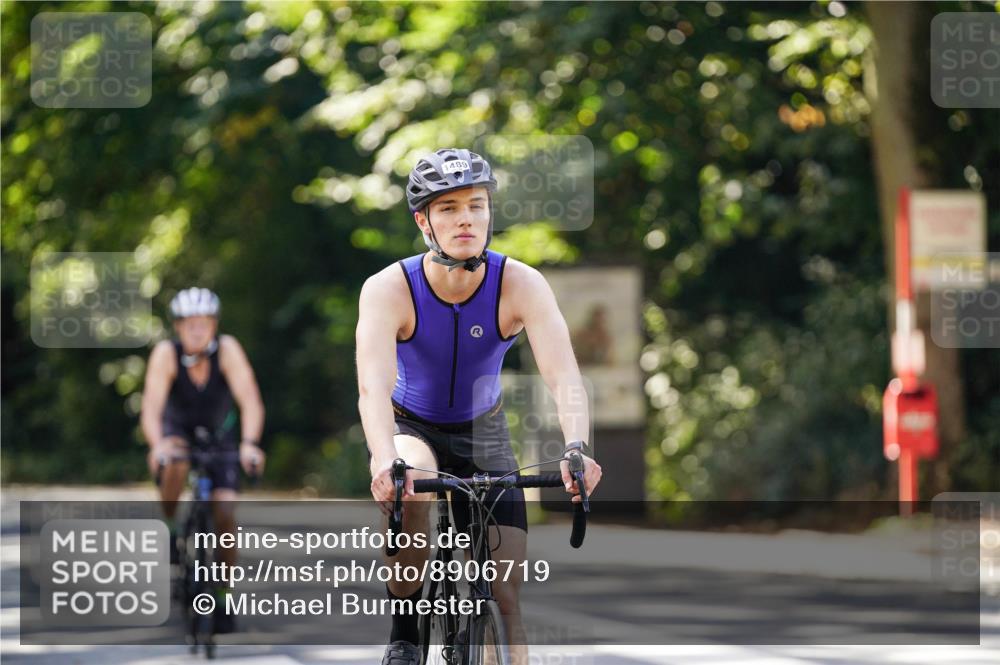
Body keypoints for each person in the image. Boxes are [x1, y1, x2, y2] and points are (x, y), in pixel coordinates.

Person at [356, 148, 602, 665]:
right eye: (447, 208)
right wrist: (384, 459)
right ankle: (406, 632)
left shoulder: (520, 283)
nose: (465, 217)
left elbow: (563, 375)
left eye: (475, 204)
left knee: (506, 597)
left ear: (490, 212)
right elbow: (372, 388)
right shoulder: (389, 288)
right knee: (413, 475)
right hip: (412, 427)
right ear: (424, 220)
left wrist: (577, 446)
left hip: (484, 432)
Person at [140, 287, 266, 632]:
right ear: (178, 327)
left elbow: (250, 400)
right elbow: (151, 407)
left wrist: (250, 443)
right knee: (174, 461)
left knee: (225, 513)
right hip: (177, 432)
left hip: (219, 436)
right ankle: (169, 527)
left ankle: (223, 595)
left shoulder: (227, 350)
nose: (197, 329)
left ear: (214, 325)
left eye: (204, 323)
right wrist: (157, 445)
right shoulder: (167, 354)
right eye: (189, 323)